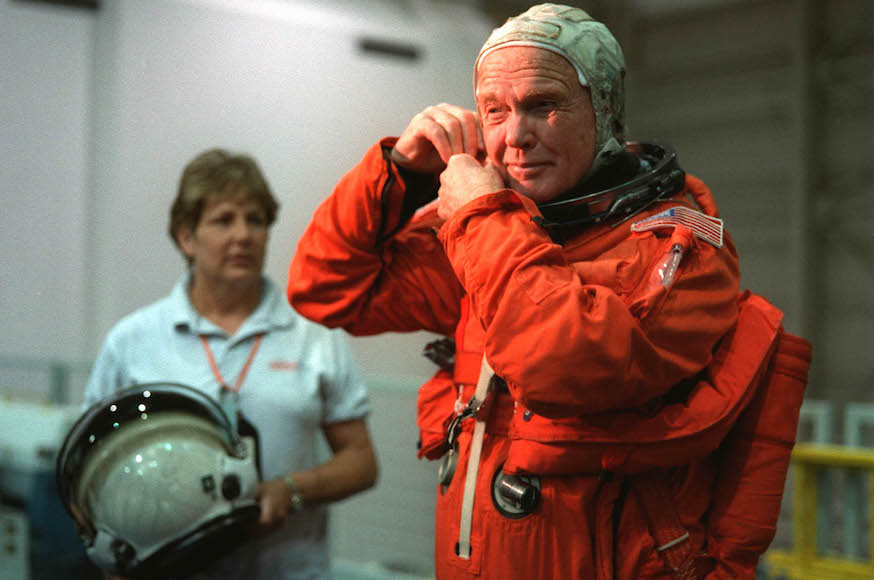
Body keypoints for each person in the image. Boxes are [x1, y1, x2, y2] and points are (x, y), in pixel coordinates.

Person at [288, 4, 808, 579]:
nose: (514, 137)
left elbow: (565, 366)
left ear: (604, 108)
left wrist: (482, 216)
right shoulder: (495, 235)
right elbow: (327, 287)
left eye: (543, 105)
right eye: (495, 110)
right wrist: (397, 170)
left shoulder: (684, 245)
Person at [83, 148, 378, 579]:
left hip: (288, 570)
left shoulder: (314, 334)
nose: (243, 235)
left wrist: (292, 490)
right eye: (224, 220)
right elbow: (93, 469)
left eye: (255, 220)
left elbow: (361, 461)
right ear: (186, 237)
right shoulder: (133, 341)